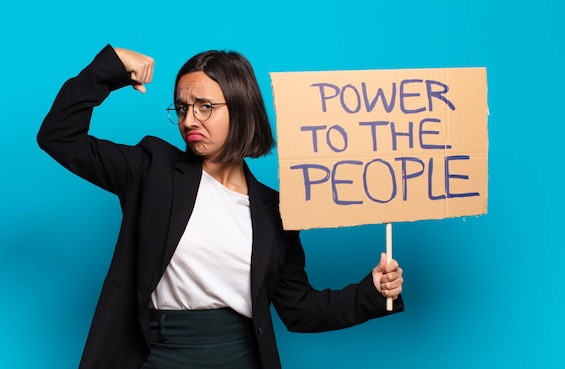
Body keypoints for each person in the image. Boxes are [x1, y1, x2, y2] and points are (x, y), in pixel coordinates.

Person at [37, 44, 404, 369]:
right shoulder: (151, 170)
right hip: (157, 350)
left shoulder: (274, 210)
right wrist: (110, 67)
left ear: (241, 109)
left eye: (205, 107)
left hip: (240, 352)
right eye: (182, 108)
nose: (189, 120)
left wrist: (371, 291)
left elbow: (299, 310)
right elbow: (59, 136)